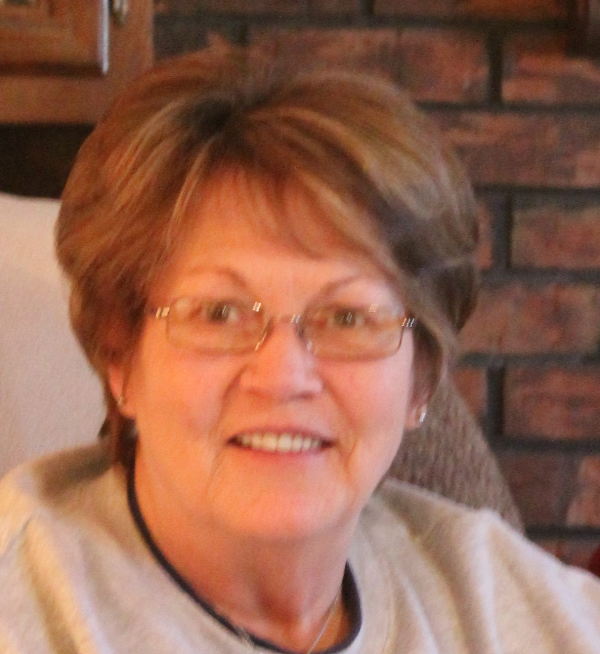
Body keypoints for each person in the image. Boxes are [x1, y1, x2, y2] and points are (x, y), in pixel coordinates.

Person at [1, 43, 600, 654]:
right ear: (120, 358)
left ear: (421, 380)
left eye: (346, 317)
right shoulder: (30, 610)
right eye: (220, 314)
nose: (283, 376)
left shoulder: (488, 589)